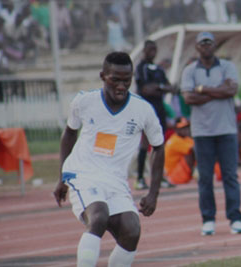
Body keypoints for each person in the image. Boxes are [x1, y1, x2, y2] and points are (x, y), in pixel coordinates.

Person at [53, 52, 165, 267]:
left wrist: (153, 193)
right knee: (99, 215)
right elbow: (69, 133)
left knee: (132, 230)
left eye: (127, 80)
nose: (121, 86)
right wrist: (61, 178)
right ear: (103, 76)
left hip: (115, 180)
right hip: (82, 173)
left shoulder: (143, 110)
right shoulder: (84, 101)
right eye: (115, 79)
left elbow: (158, 147)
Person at [180, 31, 241, 236]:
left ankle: (235, 218)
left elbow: (231, 91)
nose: (206, 46)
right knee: (205, 178)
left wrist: (202, 89)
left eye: (209, 42)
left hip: (226, 129)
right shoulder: (189, 70)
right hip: (202, 132)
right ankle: (208, 219)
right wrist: (217, 90)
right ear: (197, 47)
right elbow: (188, 98)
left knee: (230, 176)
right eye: (202, 43)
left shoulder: (227, 66)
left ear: (215, 45)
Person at [134, 40, 176, 190]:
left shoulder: (158, 69)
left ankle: (159, 178)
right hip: (146, 109)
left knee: (159, 144)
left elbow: (171, 87)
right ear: (144, 50)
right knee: (145, 143)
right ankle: (139, 178)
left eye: (154, 49)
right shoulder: (141, 68)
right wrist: (161, 88)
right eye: (150, 49)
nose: (152, 52)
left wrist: (158, 87)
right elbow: (145, 89)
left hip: (159, 109)